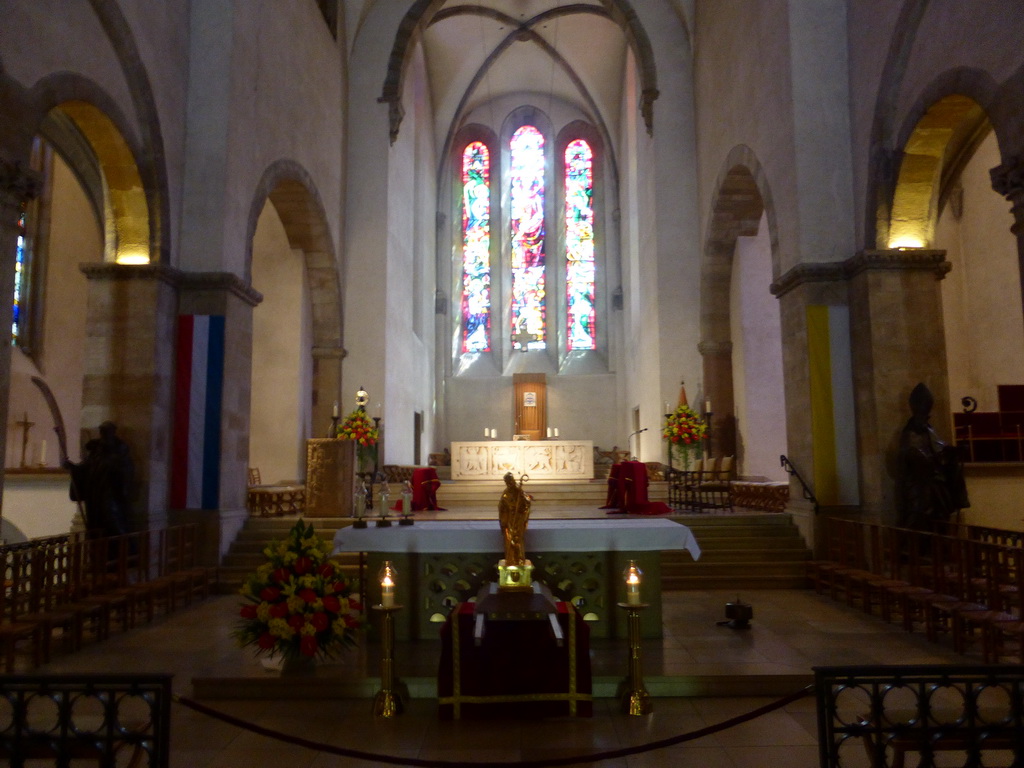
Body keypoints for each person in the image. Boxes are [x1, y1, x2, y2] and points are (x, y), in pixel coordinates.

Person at [898, 383, 969, 532]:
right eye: (922, 416)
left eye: (926, 417)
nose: (925, 420)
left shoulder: (930, 429)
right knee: (920, 515)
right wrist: (931, 459)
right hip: (921, 484)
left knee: (940, 517)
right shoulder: (909, 433)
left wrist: (954, 452)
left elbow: (939, 447)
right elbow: (911, 455)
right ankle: (915, 549)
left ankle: (940, 549)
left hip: (936, 483)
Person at [65, 421, 134, 538]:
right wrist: (72, 468)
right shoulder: (96, 451)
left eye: (107, 432)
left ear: (112, 432)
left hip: (110, 494)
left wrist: (114, 469)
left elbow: (126, 471)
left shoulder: (119, 451)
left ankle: (124, 548)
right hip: (95, 494)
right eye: (102, 432)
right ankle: (97, 551)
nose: (104, 434)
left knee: (113, 521)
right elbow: (85, 467)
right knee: (95, 522)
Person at [498, 472, 532, 566]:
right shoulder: (506, 494)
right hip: (509, 520)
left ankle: (519, 559)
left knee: (518, 539)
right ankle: (510, 560)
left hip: (518, 520)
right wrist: (509, 510)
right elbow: (502, 507)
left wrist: (525, 502)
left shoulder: (519, 491)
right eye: (508, 482)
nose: (510, 484)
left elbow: (526, 502)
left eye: (511, 481)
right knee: (509, 539)